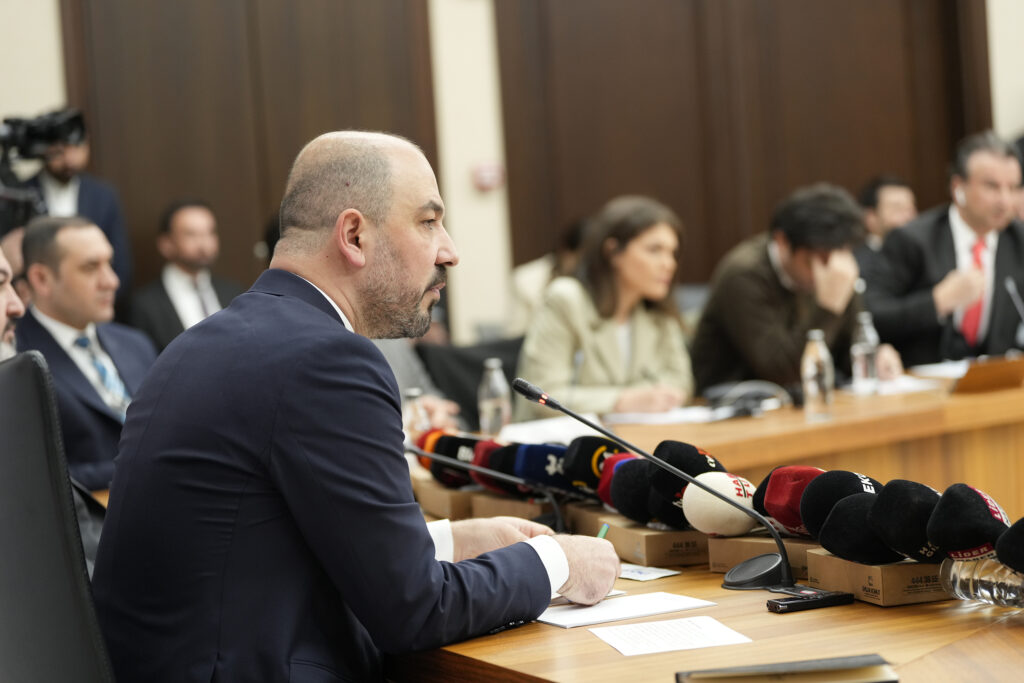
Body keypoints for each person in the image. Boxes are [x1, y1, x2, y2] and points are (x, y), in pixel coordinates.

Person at [91, 131, 619, 682]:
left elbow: (278, 544)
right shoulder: (326, 359)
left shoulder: (205, 340)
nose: (449, 251)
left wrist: (452, 541)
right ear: (354, 236)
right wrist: (556, 564)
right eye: (428, 221)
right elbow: (415, 612)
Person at [691, 183, 902, 393]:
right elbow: (782, 371)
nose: (828, 272)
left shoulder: (835, 267)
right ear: (782, 241)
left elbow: (849, 353)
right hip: (732, 399)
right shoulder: (744, 274)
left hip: (802, 398)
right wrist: (828, 309)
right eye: (815, 262)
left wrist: (876, 357)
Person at [515, 195, 693, 420]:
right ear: (613, 252)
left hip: (636, 434)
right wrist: (622, 400)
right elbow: (543, 396)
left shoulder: (658, 311)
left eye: (673, 253)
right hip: (558, 439)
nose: (669, 264)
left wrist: (647, 398)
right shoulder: (567, 299)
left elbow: (681, 384)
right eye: (654, 250)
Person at [15, 215, 156, 490]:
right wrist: (146, 466)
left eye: (109, 264)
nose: (111, 281)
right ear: (41, 279)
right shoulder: (18, 359)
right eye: (91, 267)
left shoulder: (135, 344)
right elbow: (37, 478)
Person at [866, 131, 1024, 366]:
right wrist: (937, 301)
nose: (1005, 201)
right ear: (958, 187)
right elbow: (873, 315)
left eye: (1013, 188)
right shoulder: (912, 239)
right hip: (923, 377)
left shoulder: (1019, 240)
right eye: (992, 187)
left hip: (995, 377)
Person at [24, 111, 133, 298]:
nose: (70, 157)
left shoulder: (103, 196)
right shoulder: (19, 193)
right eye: (60, 148)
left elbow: (121, 263)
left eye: (77, 146)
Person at [130, 199, 244, 350]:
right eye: (191, 234)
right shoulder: (145, 305)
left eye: (210, 233)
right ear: (166, 244)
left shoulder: (234, 293)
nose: (203, 244)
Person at [506, 217, 586, 337]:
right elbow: (516, 335)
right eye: (581, 259)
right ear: (566, 252)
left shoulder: (598, 284)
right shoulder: (526, 281)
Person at [854, 175, 917, 283]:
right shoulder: (857, 266)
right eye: (897, 209)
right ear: (871, 218)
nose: (909, 217)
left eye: (911, 208)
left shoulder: (922, 257)